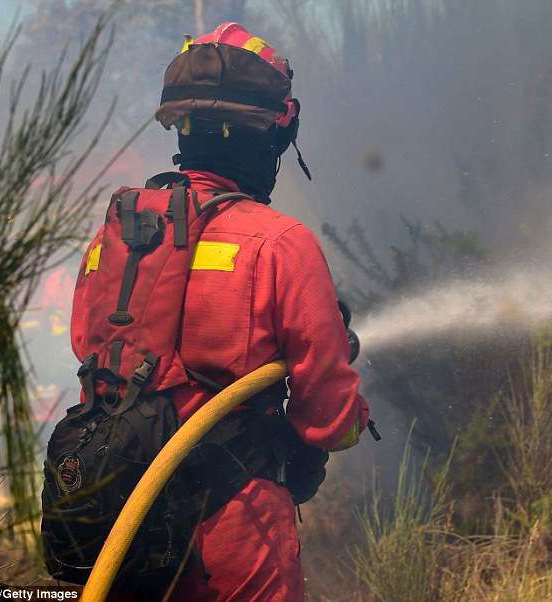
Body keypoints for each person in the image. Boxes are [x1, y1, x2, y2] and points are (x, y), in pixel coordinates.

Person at [71, 22, 370, 601]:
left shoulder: (117, 235)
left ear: (181, 125)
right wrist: (326, 427)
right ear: (274, 132)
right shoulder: (280, 244)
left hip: (115, 520)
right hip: (234, 531)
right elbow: (332, 420)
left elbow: (89, 348)